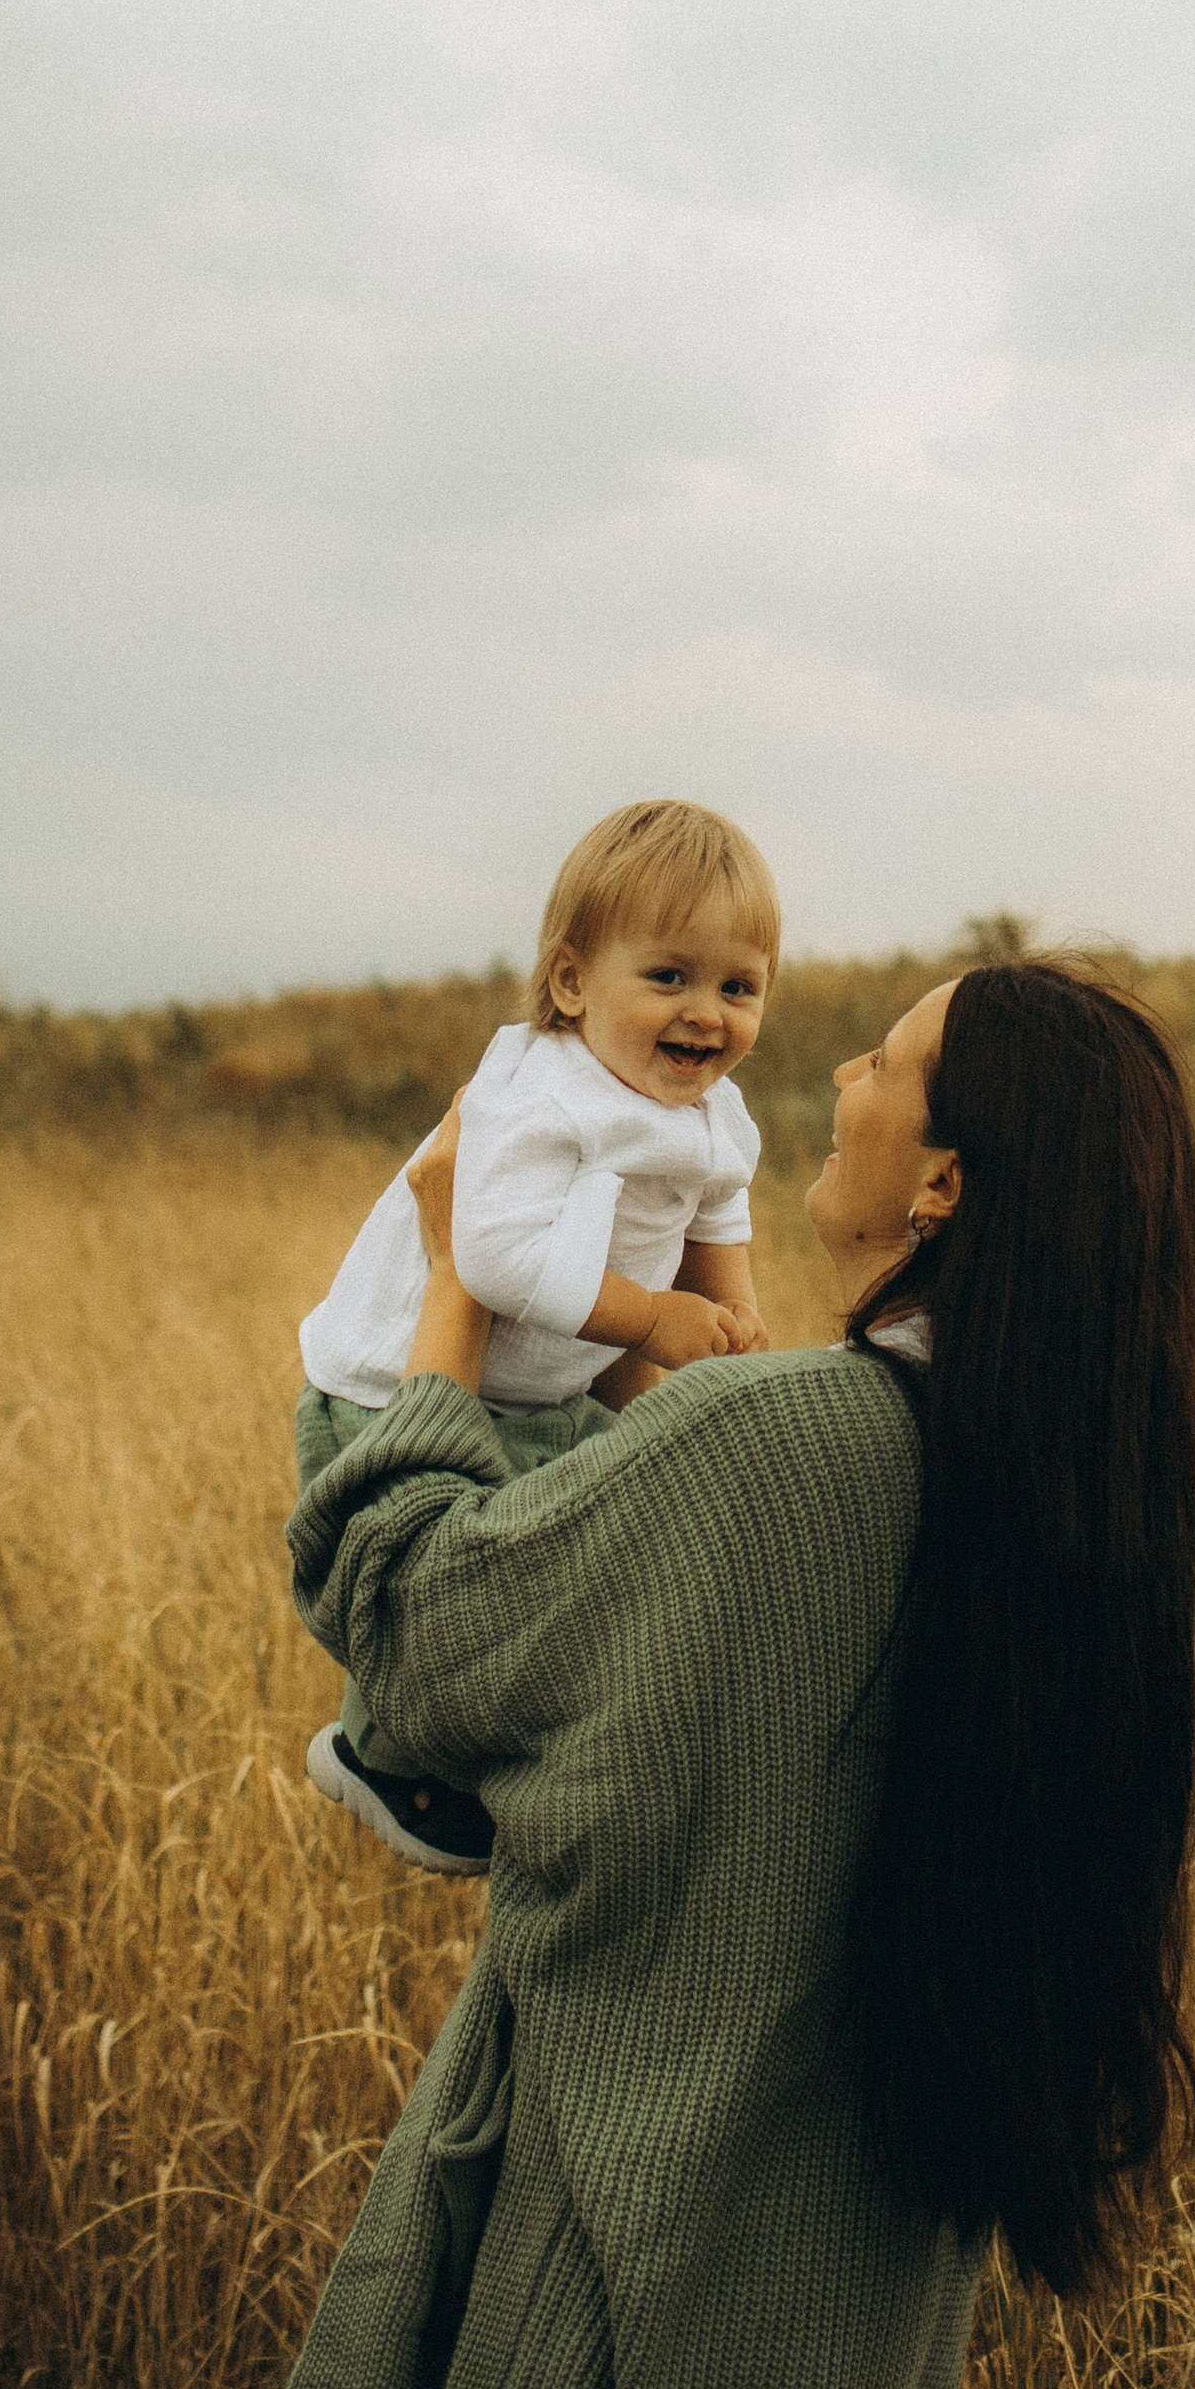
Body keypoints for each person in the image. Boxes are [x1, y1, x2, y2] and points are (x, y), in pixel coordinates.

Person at [227, 957, 1195, 2389]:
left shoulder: (788, 1441)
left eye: (887, 1062)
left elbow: (411, 1626)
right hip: (841, 2344)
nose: (836, 1074)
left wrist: (461, 1285)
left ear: (946, 1180)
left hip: (611, 2287)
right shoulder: (1073, 1527)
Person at [295, 799, 777, 1872]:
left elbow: (717, 1207)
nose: (707, 1012)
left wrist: (735, 1320)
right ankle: (380, 1756)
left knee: (610, 1543)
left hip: (542, 1392)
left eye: (738, 986)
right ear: (571, 984)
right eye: (669, 976)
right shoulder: (538, 1094)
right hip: (391, 1389)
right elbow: (495, 1257)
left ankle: (546, 1757)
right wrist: (655, 1319)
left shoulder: (711, 1110)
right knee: (446, 1591)